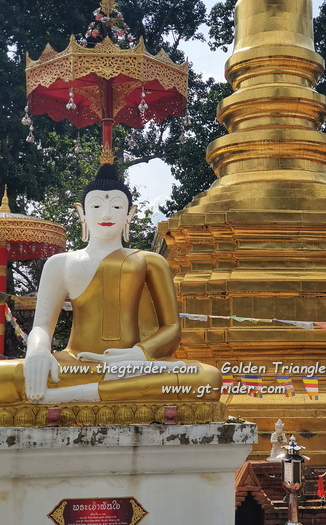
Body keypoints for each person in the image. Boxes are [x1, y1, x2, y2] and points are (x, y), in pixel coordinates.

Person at [0, 164, 221, 405]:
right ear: (82, 213)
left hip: (133, 366)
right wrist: (38, 351)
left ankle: (65, 396)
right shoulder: (60, 263)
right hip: (75, 364)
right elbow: (42, 326)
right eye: (96, 206)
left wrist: (139, 354)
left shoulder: (150, 261)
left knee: (207, 378)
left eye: (116, 207)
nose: (106, 215)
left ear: (130, 214)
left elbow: (171, 328)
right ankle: (102, 392)